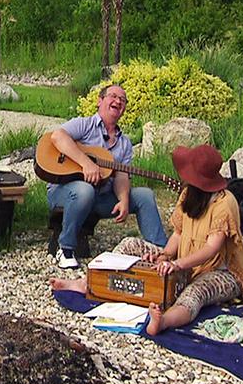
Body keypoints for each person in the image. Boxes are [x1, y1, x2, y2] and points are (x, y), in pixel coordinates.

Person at [51, 144, 243, 335]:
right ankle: (86, 283)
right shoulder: (188, 194)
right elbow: (178, 233)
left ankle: (165, 320)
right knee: (130, 244)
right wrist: (165, 254)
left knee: (196, 292)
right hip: (184, 259)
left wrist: (176, 264)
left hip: (221, 271)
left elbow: (212, 249)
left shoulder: (224, 202)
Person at [46, 84, 167, 268]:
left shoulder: (124, 143)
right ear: (100, 101)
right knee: (85, 190)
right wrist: (86, 163)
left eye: (123, 100)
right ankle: (66, 248)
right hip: (65, 193)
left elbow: (121, 175)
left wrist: (124, 199)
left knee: (144, 195)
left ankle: (162, 252)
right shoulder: (84, 125)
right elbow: (57, 137)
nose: (118, 101)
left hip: (101, 197)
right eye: (113, 96)